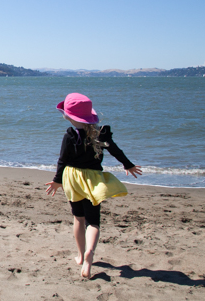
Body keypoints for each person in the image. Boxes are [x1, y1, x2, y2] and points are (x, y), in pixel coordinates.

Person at [45, 93, 142, 279]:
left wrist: (57, 181)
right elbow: (115, 150)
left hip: (73, 178)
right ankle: (91, 252)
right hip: (93, 180)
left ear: (68, 116)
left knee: (78, 218)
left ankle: (81, 256)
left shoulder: (70, 135)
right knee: (93, 221)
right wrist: (128, 165)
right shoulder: (100, 133)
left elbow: (62, 160)